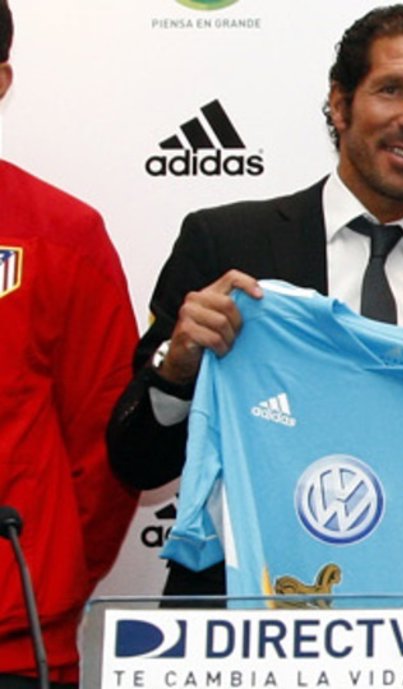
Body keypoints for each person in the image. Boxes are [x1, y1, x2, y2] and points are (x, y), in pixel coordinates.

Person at [106, 4, 403, 597]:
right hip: (238, 620)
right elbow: (137, 461)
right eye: (391, 90)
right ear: (339, 103)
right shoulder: (227, 246)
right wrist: (176, 370)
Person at [0, 1, 140, 685]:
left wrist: (48, 582)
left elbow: (106, 447)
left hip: (16, 645)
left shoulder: (62, 236)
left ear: (1, 82)